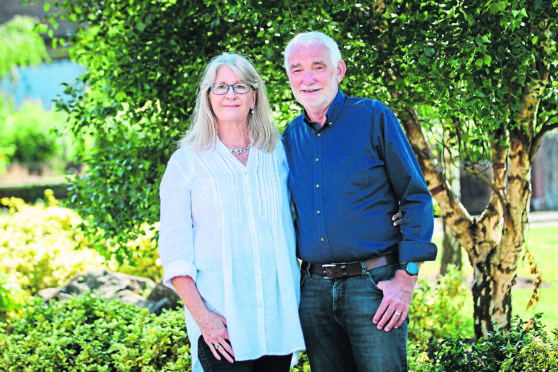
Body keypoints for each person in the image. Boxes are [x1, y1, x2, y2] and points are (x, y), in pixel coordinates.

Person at [281, 31, 438, 372]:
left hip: (375, 286)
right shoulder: (288, 138)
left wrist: (406, 279)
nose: (307, 78)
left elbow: (415, 198)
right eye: (297, 69)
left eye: (318, 67)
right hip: (315, 292)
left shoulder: (373, 118)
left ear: (339, 71)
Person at [158, 52, 305, 372]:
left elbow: (314, 206)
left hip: (277, 321)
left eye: (240, 86)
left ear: (254, 97)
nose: (230, 95)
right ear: (208, 98)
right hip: (222, 325)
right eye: (220, 87)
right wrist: (205, 320)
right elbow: (175, 254)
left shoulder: (279, 154)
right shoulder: (187, 163)